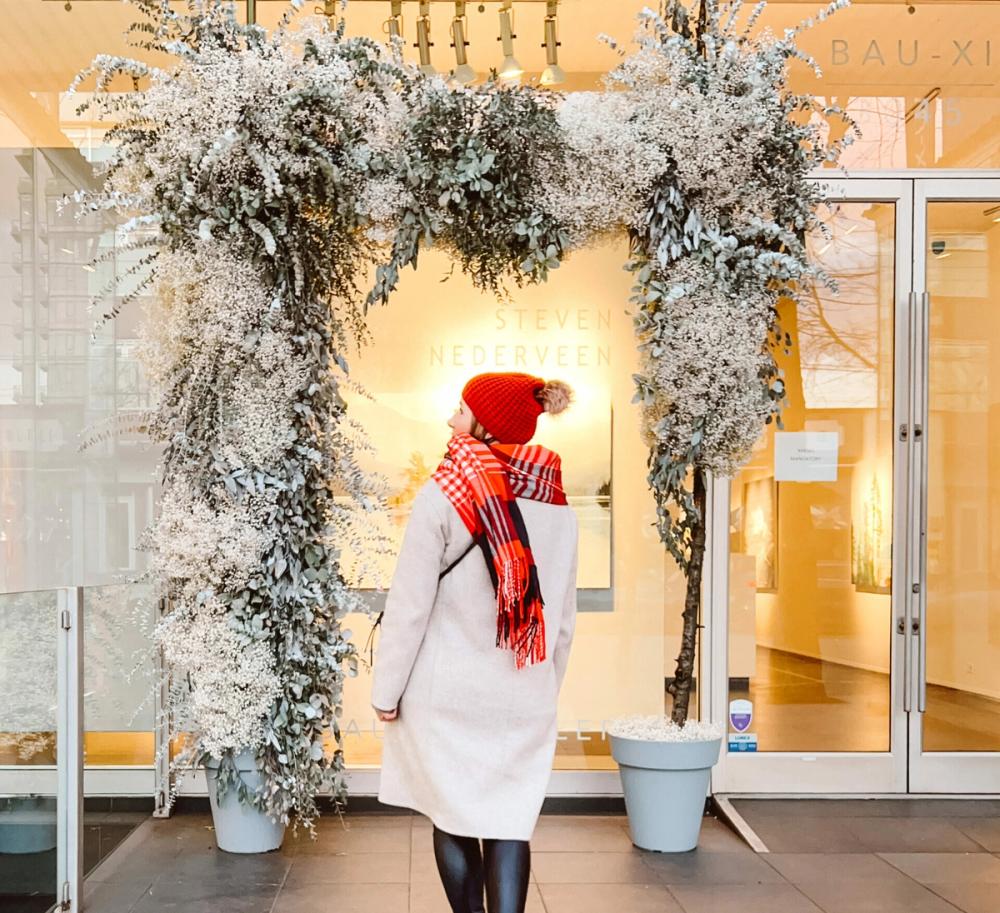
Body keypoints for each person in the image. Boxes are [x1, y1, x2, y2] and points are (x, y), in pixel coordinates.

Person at [370, 371, 580, 913]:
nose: (450, 420)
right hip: (522, 693)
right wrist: (543, 688)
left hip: (449, 697)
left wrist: (386, 692)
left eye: (461, 411)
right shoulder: (556, 502)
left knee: (454, 815)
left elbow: (409, 607)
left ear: (485, 425)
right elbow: (560, 620)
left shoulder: (445, 493)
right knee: (510, 823)